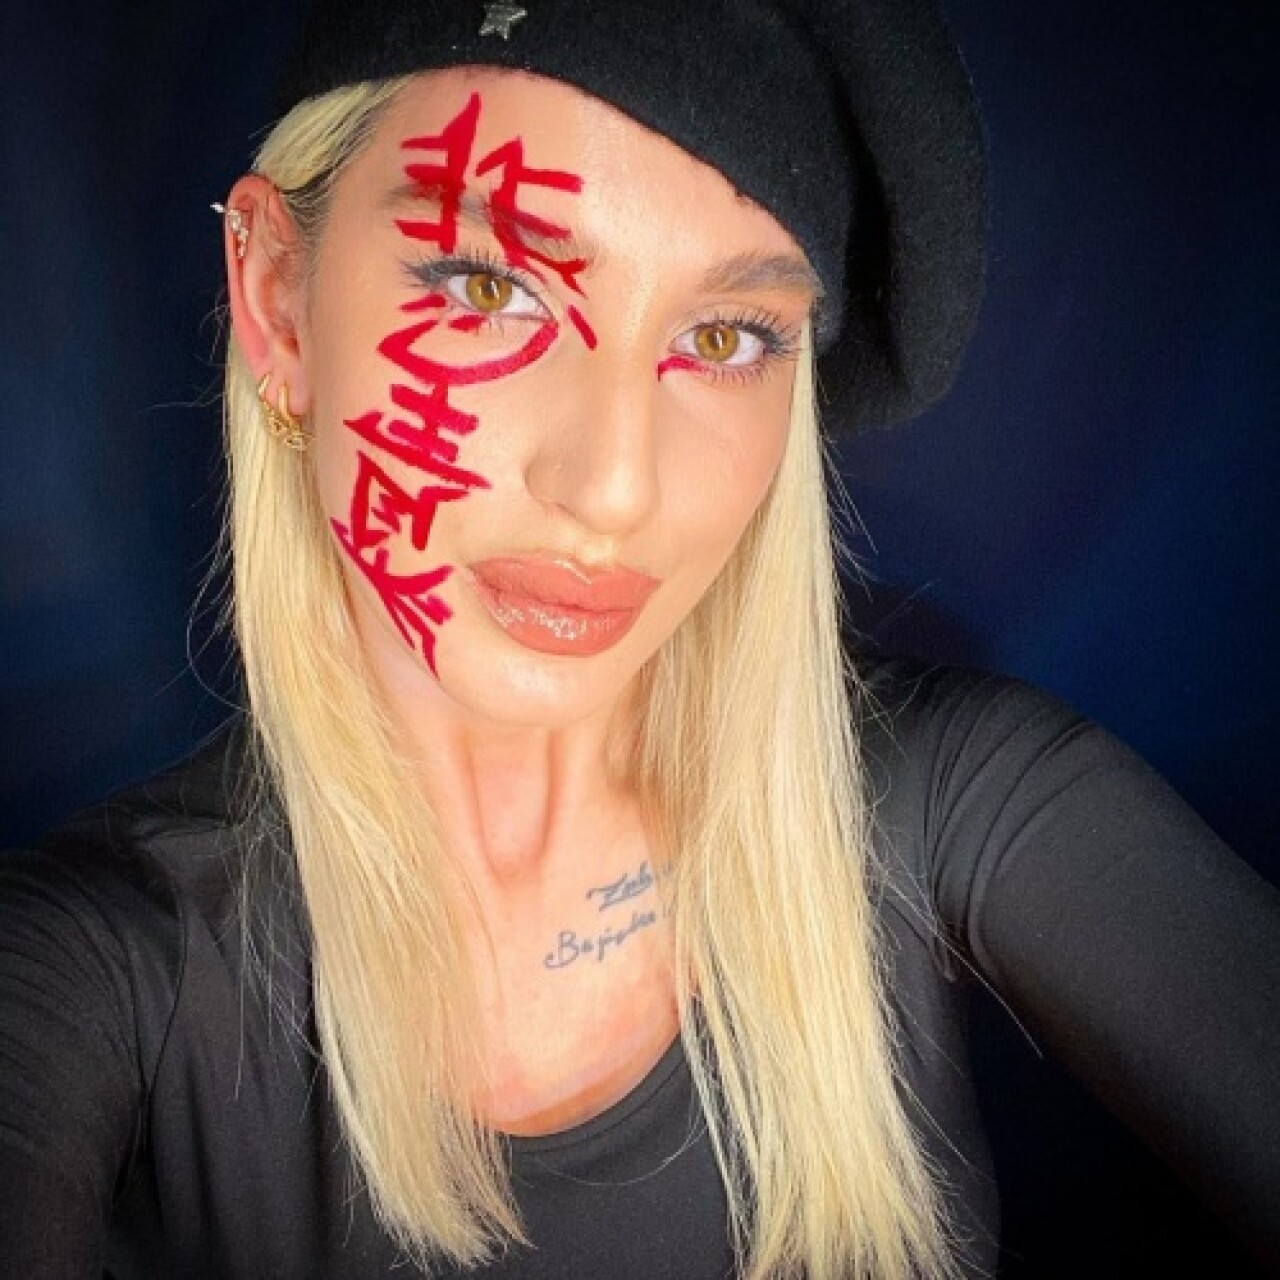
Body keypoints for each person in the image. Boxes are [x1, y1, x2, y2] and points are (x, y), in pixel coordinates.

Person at [1, 2, 1277, 1277]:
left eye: (722, 338)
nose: (613, 487)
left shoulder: (964, 798)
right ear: (279, 299)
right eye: (488, 286)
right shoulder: (86, 969)